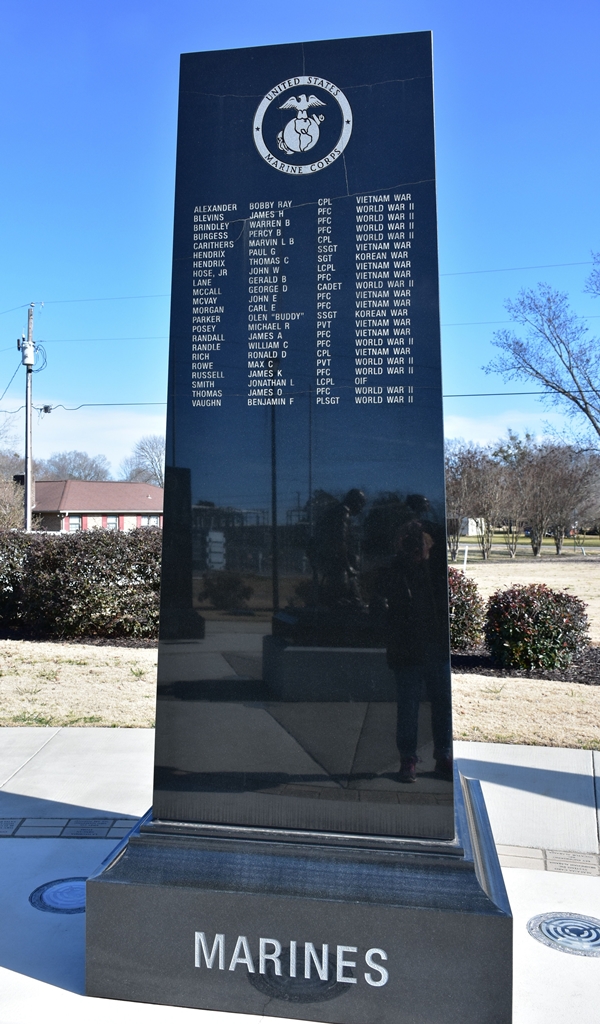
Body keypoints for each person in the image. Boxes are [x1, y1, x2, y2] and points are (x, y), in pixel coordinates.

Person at [384, 516, 453, 783]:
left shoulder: (436, 570)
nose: (418, 549)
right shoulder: (395, 570)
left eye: (422, 543)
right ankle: (408, 759)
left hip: (436, 646)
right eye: (412, 544)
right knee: (408, 708)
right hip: (407, 651)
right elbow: (385, 604)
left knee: (443, 704)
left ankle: (444, 755)